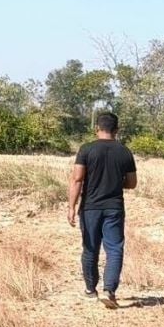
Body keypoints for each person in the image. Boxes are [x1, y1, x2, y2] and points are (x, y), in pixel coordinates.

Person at [67, 112, 137, 309]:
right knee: (114, 249)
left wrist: (71, 207)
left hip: (90, 208)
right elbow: (132, 183)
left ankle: (90, 290)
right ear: (116, 130)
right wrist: (114, 181)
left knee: (90, 249)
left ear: (96, 128)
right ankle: (109, 291)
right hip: (114, 207)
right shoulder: (124, 151)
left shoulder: (86, 149)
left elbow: (77, 179)